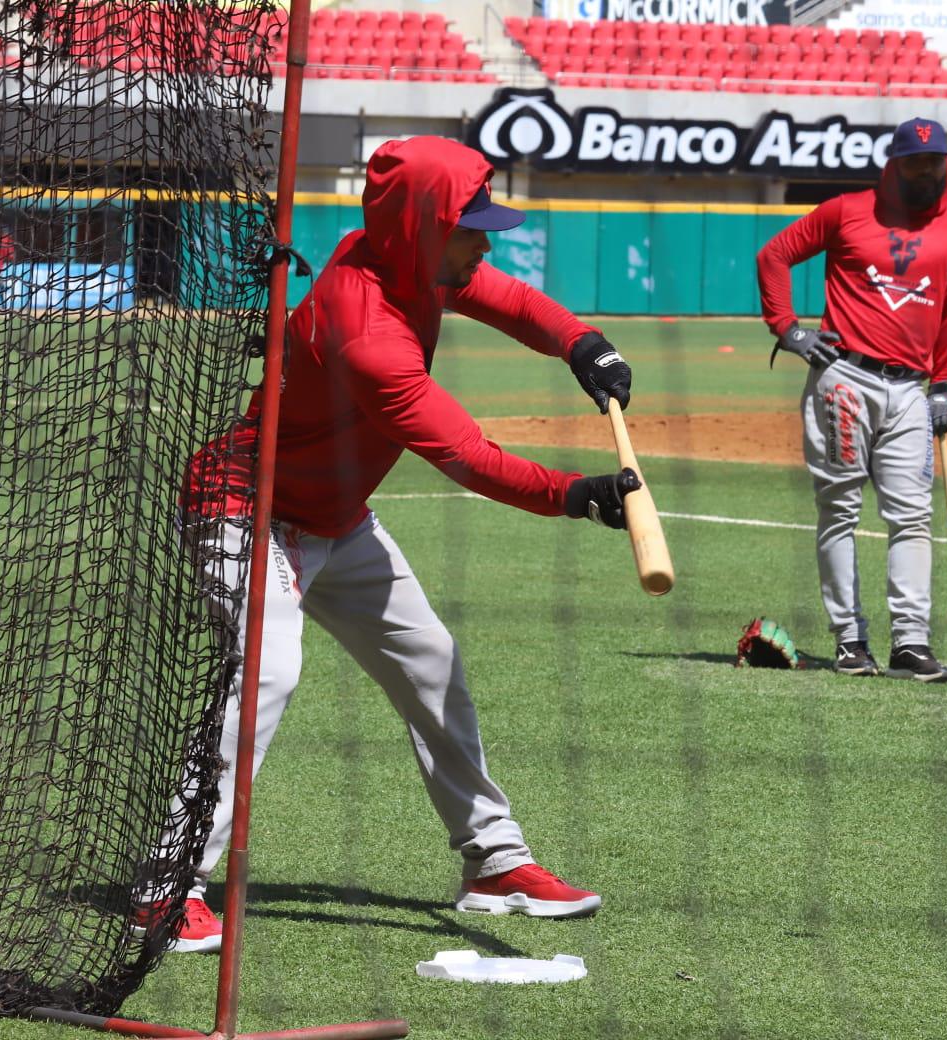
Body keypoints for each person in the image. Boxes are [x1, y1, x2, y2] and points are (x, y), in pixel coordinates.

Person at [139, 136, 639, 953]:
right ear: (421, 227)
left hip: (335, 516)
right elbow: (468, 457)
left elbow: (510, 299)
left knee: (432, 664)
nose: (487, 238)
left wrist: (583, 344)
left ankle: (493, 861)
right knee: (267, 671)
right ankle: (164, 886)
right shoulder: (366, 331)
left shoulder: (404, 258)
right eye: (471, 224)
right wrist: (575, 496)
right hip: (247, 511)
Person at [755, 117, 947, 684]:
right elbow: (774, 256)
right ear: (894, 163)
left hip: (910, 389)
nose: (927, 173)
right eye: (916, 163)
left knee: (911, 516)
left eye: (936, 163)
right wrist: (787, 327)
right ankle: (850, 640)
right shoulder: (846, 211)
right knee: (840, 511)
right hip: (844, 379)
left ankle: (910, 643)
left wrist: (944, 385)